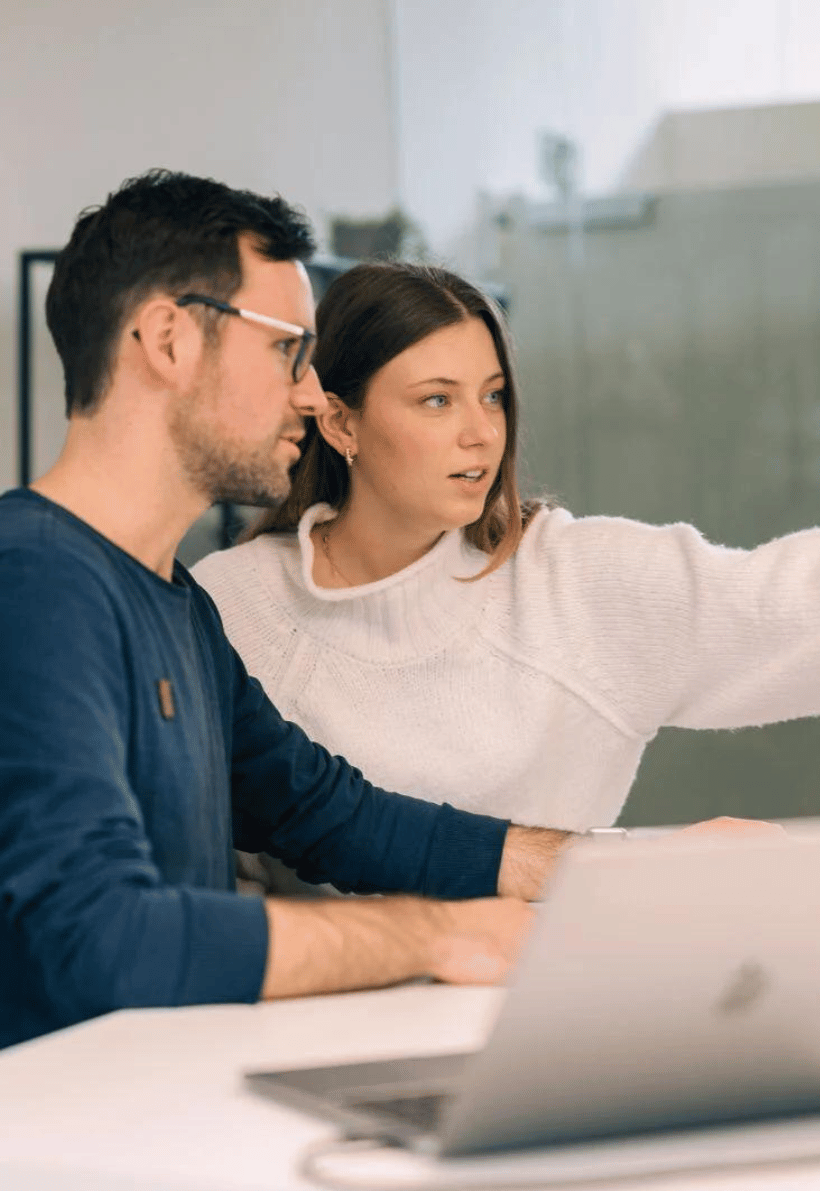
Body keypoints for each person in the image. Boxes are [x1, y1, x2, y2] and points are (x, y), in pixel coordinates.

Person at [1, 172, 762, 1050]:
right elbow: (101, 939)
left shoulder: (176, 604)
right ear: (170, 339)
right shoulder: (34, 584)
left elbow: (331, 814)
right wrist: (442, 934)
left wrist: (617, 864)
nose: (308, 393)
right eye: (288, 350)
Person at [192, 261, 820, 858]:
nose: (482, 433)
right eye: (436, 400)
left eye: (493, 396)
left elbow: (780, 601)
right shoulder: (232, 608)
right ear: (340, 425)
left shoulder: (567, 582)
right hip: (310, 1046)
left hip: (546, 1019)